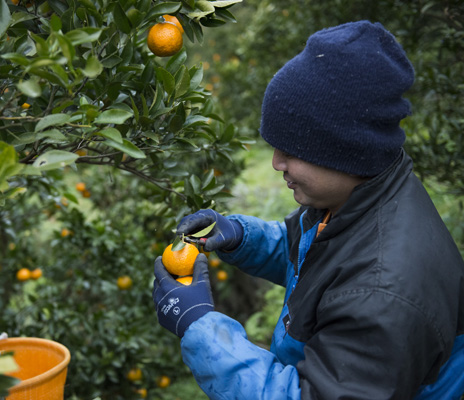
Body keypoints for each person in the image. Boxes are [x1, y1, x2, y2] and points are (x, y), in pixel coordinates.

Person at [152, 20, 464, 399]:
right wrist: (240, 237)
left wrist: (198, 327)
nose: (276, 164)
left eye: (291, 151)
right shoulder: (362, 195)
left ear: (344, 151)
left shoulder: (383, 292)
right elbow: (318, 257)